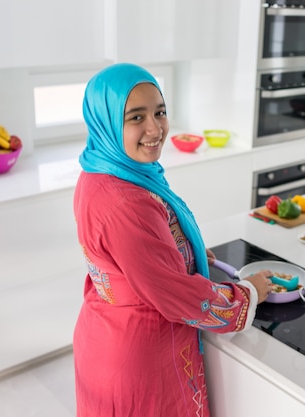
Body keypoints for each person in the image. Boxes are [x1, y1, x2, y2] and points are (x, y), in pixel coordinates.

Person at [72, 63, 273, 416]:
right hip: (139, 358)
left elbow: (128, 258)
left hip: (105, 337)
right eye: (135, 117)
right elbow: (177, 297)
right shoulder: (125, 201)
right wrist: (249, 293)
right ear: (105, 122)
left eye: (160, 112)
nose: (155, 128)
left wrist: (180, 252)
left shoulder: (101, 171)